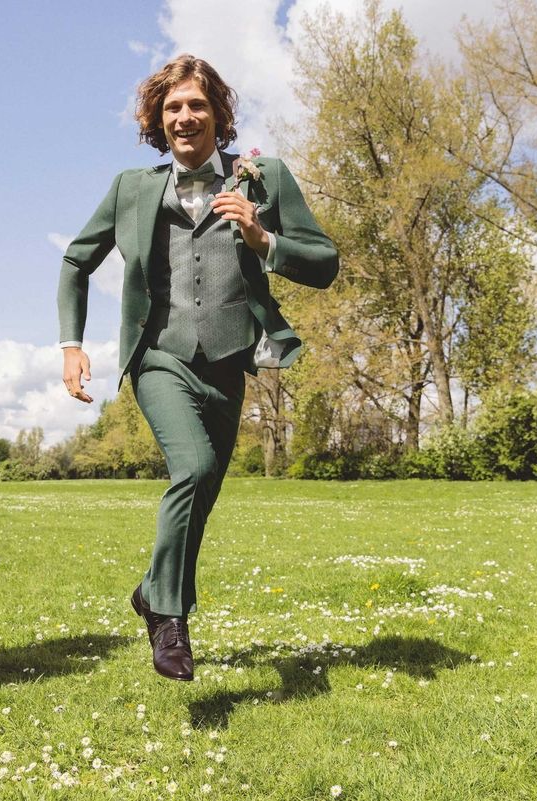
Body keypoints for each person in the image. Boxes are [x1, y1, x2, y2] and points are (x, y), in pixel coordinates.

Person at [57, 55, 338, 681]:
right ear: (159, 120)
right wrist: (71, 345)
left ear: (218, 115)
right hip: (158, 355)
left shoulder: (263, 178)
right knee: (194, 466)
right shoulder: (132, 188)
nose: (185, 117)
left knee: (204, 491)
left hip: (231, 360)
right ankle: (168, 618)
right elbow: (77, 261)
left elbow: (324, 262)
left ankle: (150, 589)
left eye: (197, 105)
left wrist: (266, 242)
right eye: (173, 107)